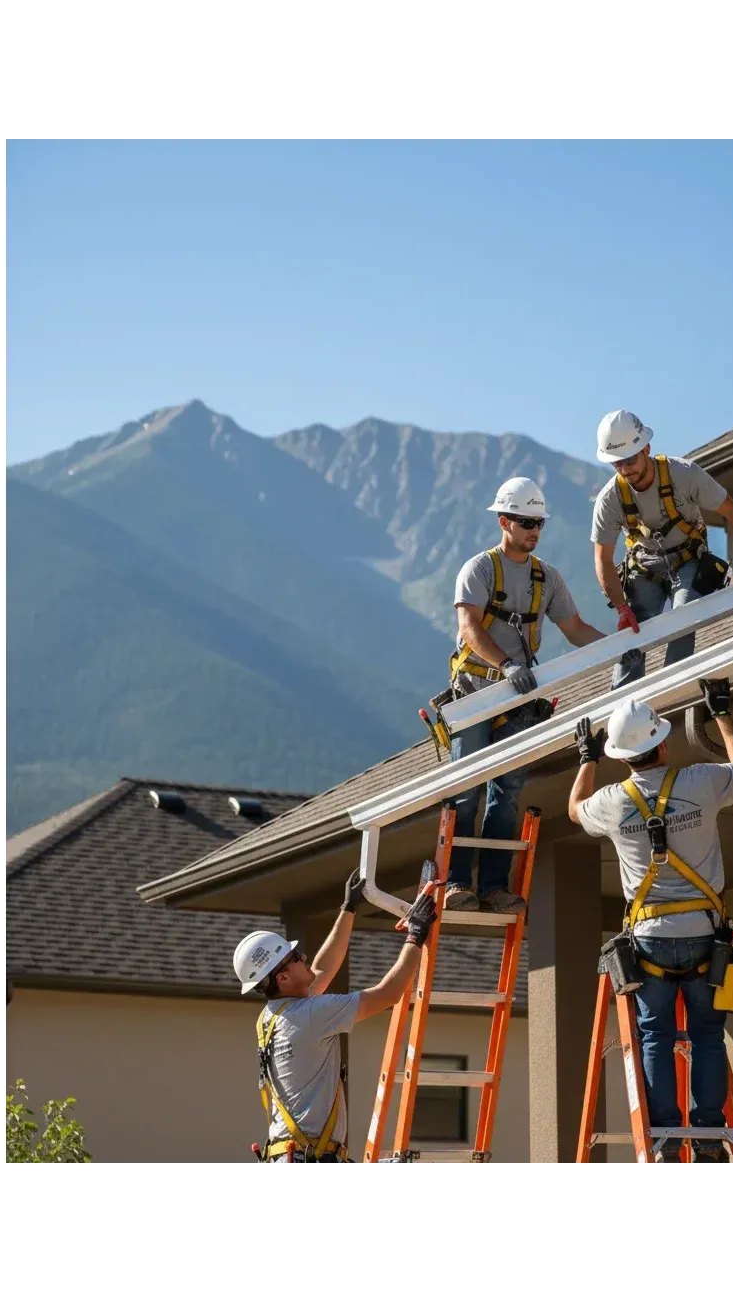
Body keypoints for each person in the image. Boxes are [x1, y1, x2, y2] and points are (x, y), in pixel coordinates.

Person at [566, 681, 733, 1162]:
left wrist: (586, 759)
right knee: (708, 1034)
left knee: (656, 1036)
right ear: (662, 743)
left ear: (621, 756)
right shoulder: (699, 782)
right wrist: (722, 715)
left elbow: (573, 810)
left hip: (648, 942)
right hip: (704, 939)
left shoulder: (611, 802)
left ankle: (668, 1141)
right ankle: (710, 1139)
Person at [444, 476, 606, 912]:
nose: (534, 530)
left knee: (506, 794)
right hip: (476, 693)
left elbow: (574, 630)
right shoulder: (480, 569)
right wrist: (507, 664)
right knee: (466, 790)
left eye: (539, 523)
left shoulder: (545, 578)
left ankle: (493, 888)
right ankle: (456, 884)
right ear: (504, 521)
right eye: (525, 521)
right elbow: (469, 628)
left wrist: (619, 645)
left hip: (517, 699)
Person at [232, 870, 438, 1163]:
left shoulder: (273, 1017)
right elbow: (387, 994)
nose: (304, 958)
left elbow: (324, 968)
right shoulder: (312, 1015)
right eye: (295, 957)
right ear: (283, 977)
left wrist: (349, 908)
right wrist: (415, 936)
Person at [590, 409, 733, 690]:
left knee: (683, 616)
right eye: (617, 464)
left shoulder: (684, 475)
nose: (625, 469)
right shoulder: (610, 499)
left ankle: (673, 686)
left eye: (630, 459)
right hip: (644, 567)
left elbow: (731, 509)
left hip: (687, 559)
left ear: (646, 448)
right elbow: (603, 558)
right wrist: (622, 606)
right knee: (631, 635)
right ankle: (622, 704)